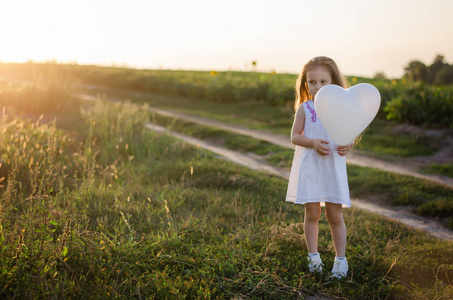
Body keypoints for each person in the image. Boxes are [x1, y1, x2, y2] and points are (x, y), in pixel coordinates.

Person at [286, 56, 354, 279]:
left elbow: (349, 135)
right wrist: (312, 142)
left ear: (333, 82)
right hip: (312, 167)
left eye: (323, 82)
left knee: (335, 215)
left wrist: (348, 143)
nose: (317, 87)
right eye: (312, 82)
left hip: (332, 168)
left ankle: (340, 260)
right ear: (305, 84)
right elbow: (295, 136)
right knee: (312, 212)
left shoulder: (340, 109)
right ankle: (313, 256)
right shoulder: (305, 109)